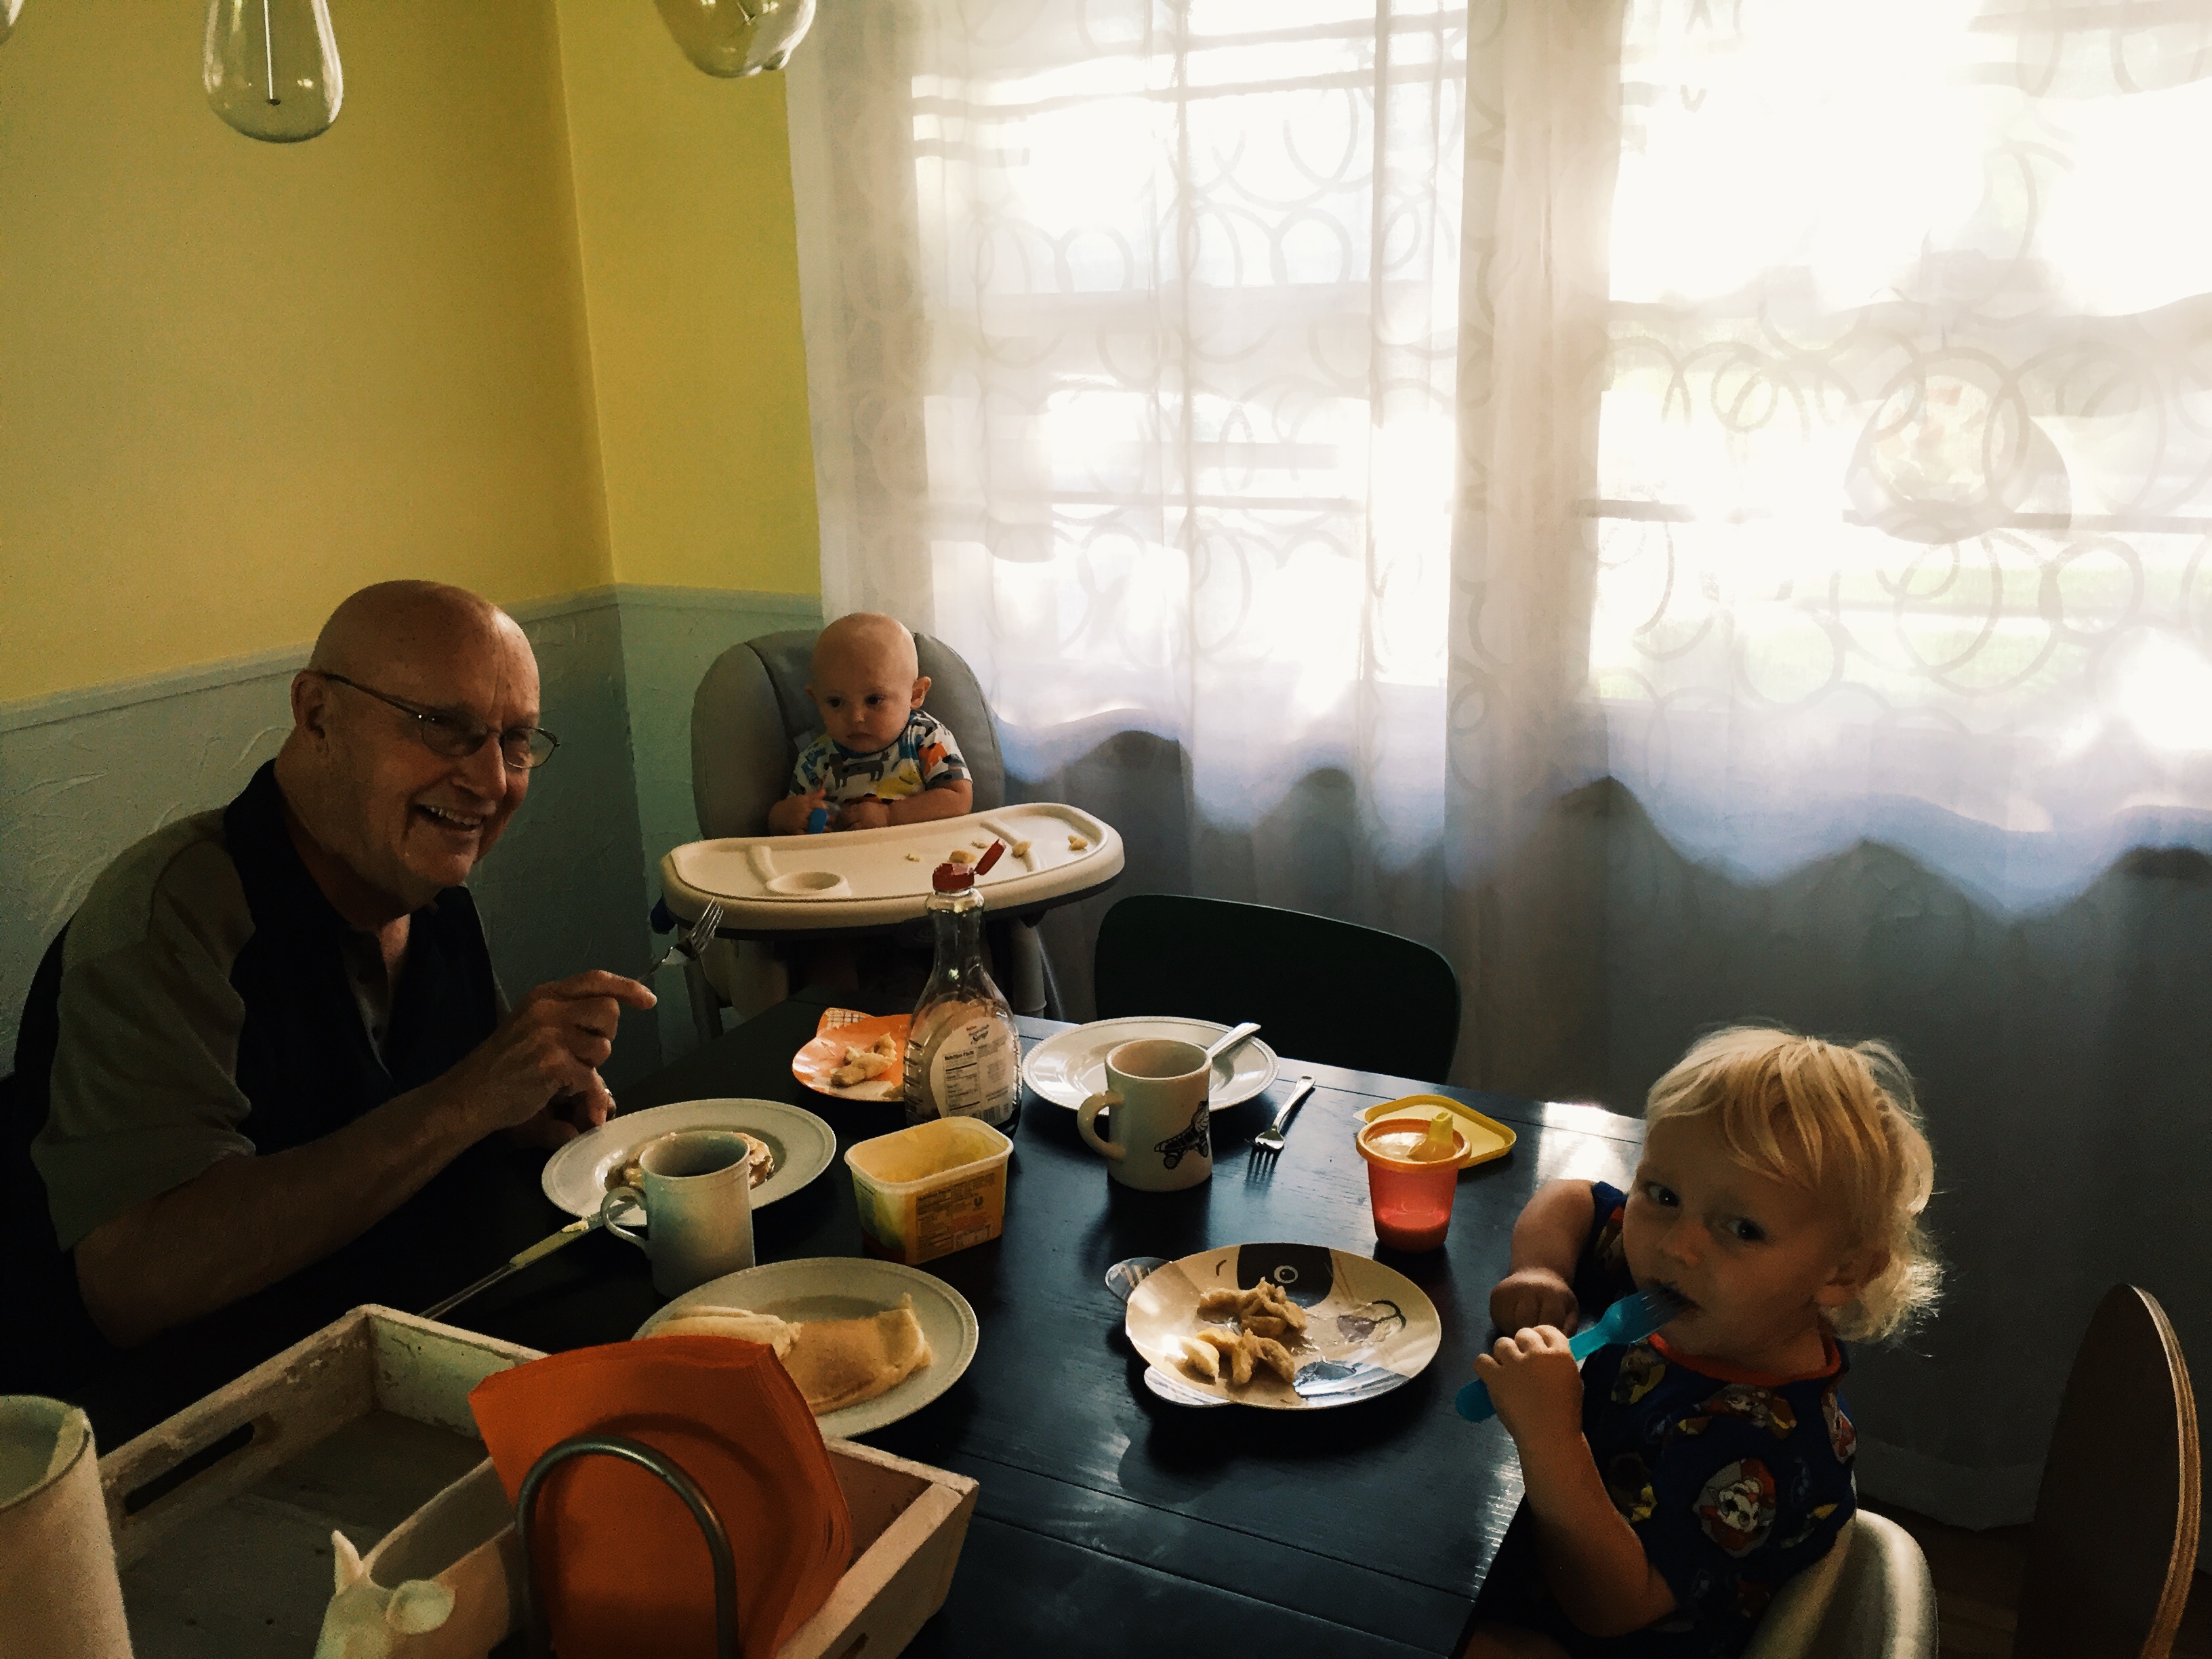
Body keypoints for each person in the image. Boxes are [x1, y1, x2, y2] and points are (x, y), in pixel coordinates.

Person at [1, 581, 655, 1437]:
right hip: (174, 1430)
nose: (491, 780)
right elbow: (134, 1281)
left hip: (408, 1356)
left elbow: (447, 1115)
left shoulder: (429, 895)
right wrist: (465, 1103)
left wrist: (518, 1114)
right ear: (317, 715)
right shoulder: (172, 924)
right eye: (443, 726)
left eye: (516, 741)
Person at [1461, 1027, 1940, 1659]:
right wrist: (1541, 1271)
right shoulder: (1688, 1285)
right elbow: (1572, 1199)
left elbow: (1610, 1606)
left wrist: (1551, 1437)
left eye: (1743, 1229)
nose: (1677, 1245)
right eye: (1663, 1194)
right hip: (1529, 1568)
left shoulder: (1761, 1449)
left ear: (1842, 1272)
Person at [764, 613, 972, 836]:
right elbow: (792, 825)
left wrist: (889, 816)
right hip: (844, 855)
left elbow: (958, 798)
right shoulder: (816, 760)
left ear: (915, 695)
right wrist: (782, 817)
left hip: (920, 852)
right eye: (835, 702)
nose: (855, 717)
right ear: (817, 700)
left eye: (874, 700)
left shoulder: (926, 738)